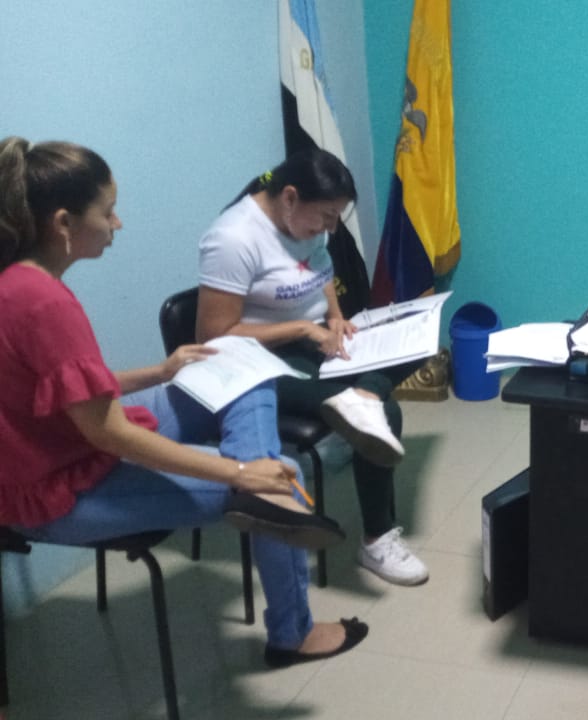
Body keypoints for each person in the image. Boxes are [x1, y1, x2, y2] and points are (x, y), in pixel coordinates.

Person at [0, 136, 367, 667]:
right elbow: (111, 434)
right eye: (107, 211)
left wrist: (161, 371)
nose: (117, 223)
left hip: (76, 441)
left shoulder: (22, 282)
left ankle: (260, 480)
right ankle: (293, 633)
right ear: (63, 224)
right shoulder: (43, 303)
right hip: (60, 489)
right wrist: (238, 472)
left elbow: (70, 389)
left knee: (245, 373)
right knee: (277, 482)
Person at [195, 148, 429, 586]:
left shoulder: (306, 222)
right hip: (254, 363)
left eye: (336, 217)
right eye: (326, 216)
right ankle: (377, 542)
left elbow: (322, 274)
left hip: (310, 342)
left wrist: (336, 318)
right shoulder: (233, 238)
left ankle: (364, 394)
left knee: (422, 341)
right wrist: (303, 327)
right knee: (387, 415)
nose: (330, 228)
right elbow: (213, 336)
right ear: (289, 197)